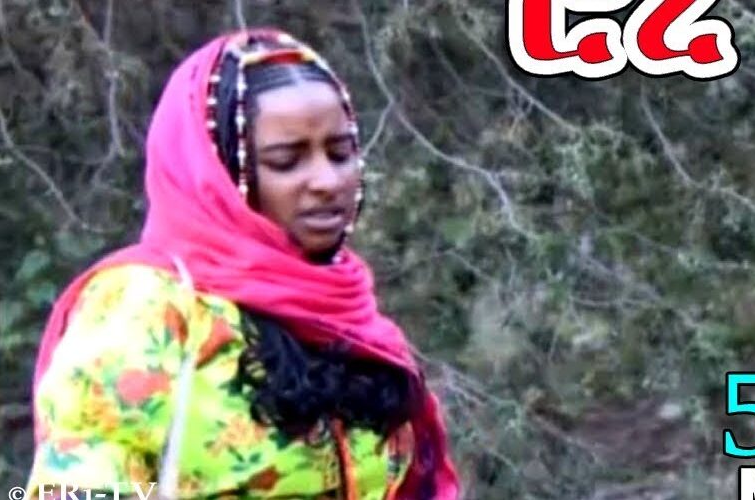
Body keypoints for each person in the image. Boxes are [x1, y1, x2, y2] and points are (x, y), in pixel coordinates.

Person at [25, 29, 459, 499]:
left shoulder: (351, 316)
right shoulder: (150, 307)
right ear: (221, 174)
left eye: (340, 153)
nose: (327, 181)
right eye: (287, 161)